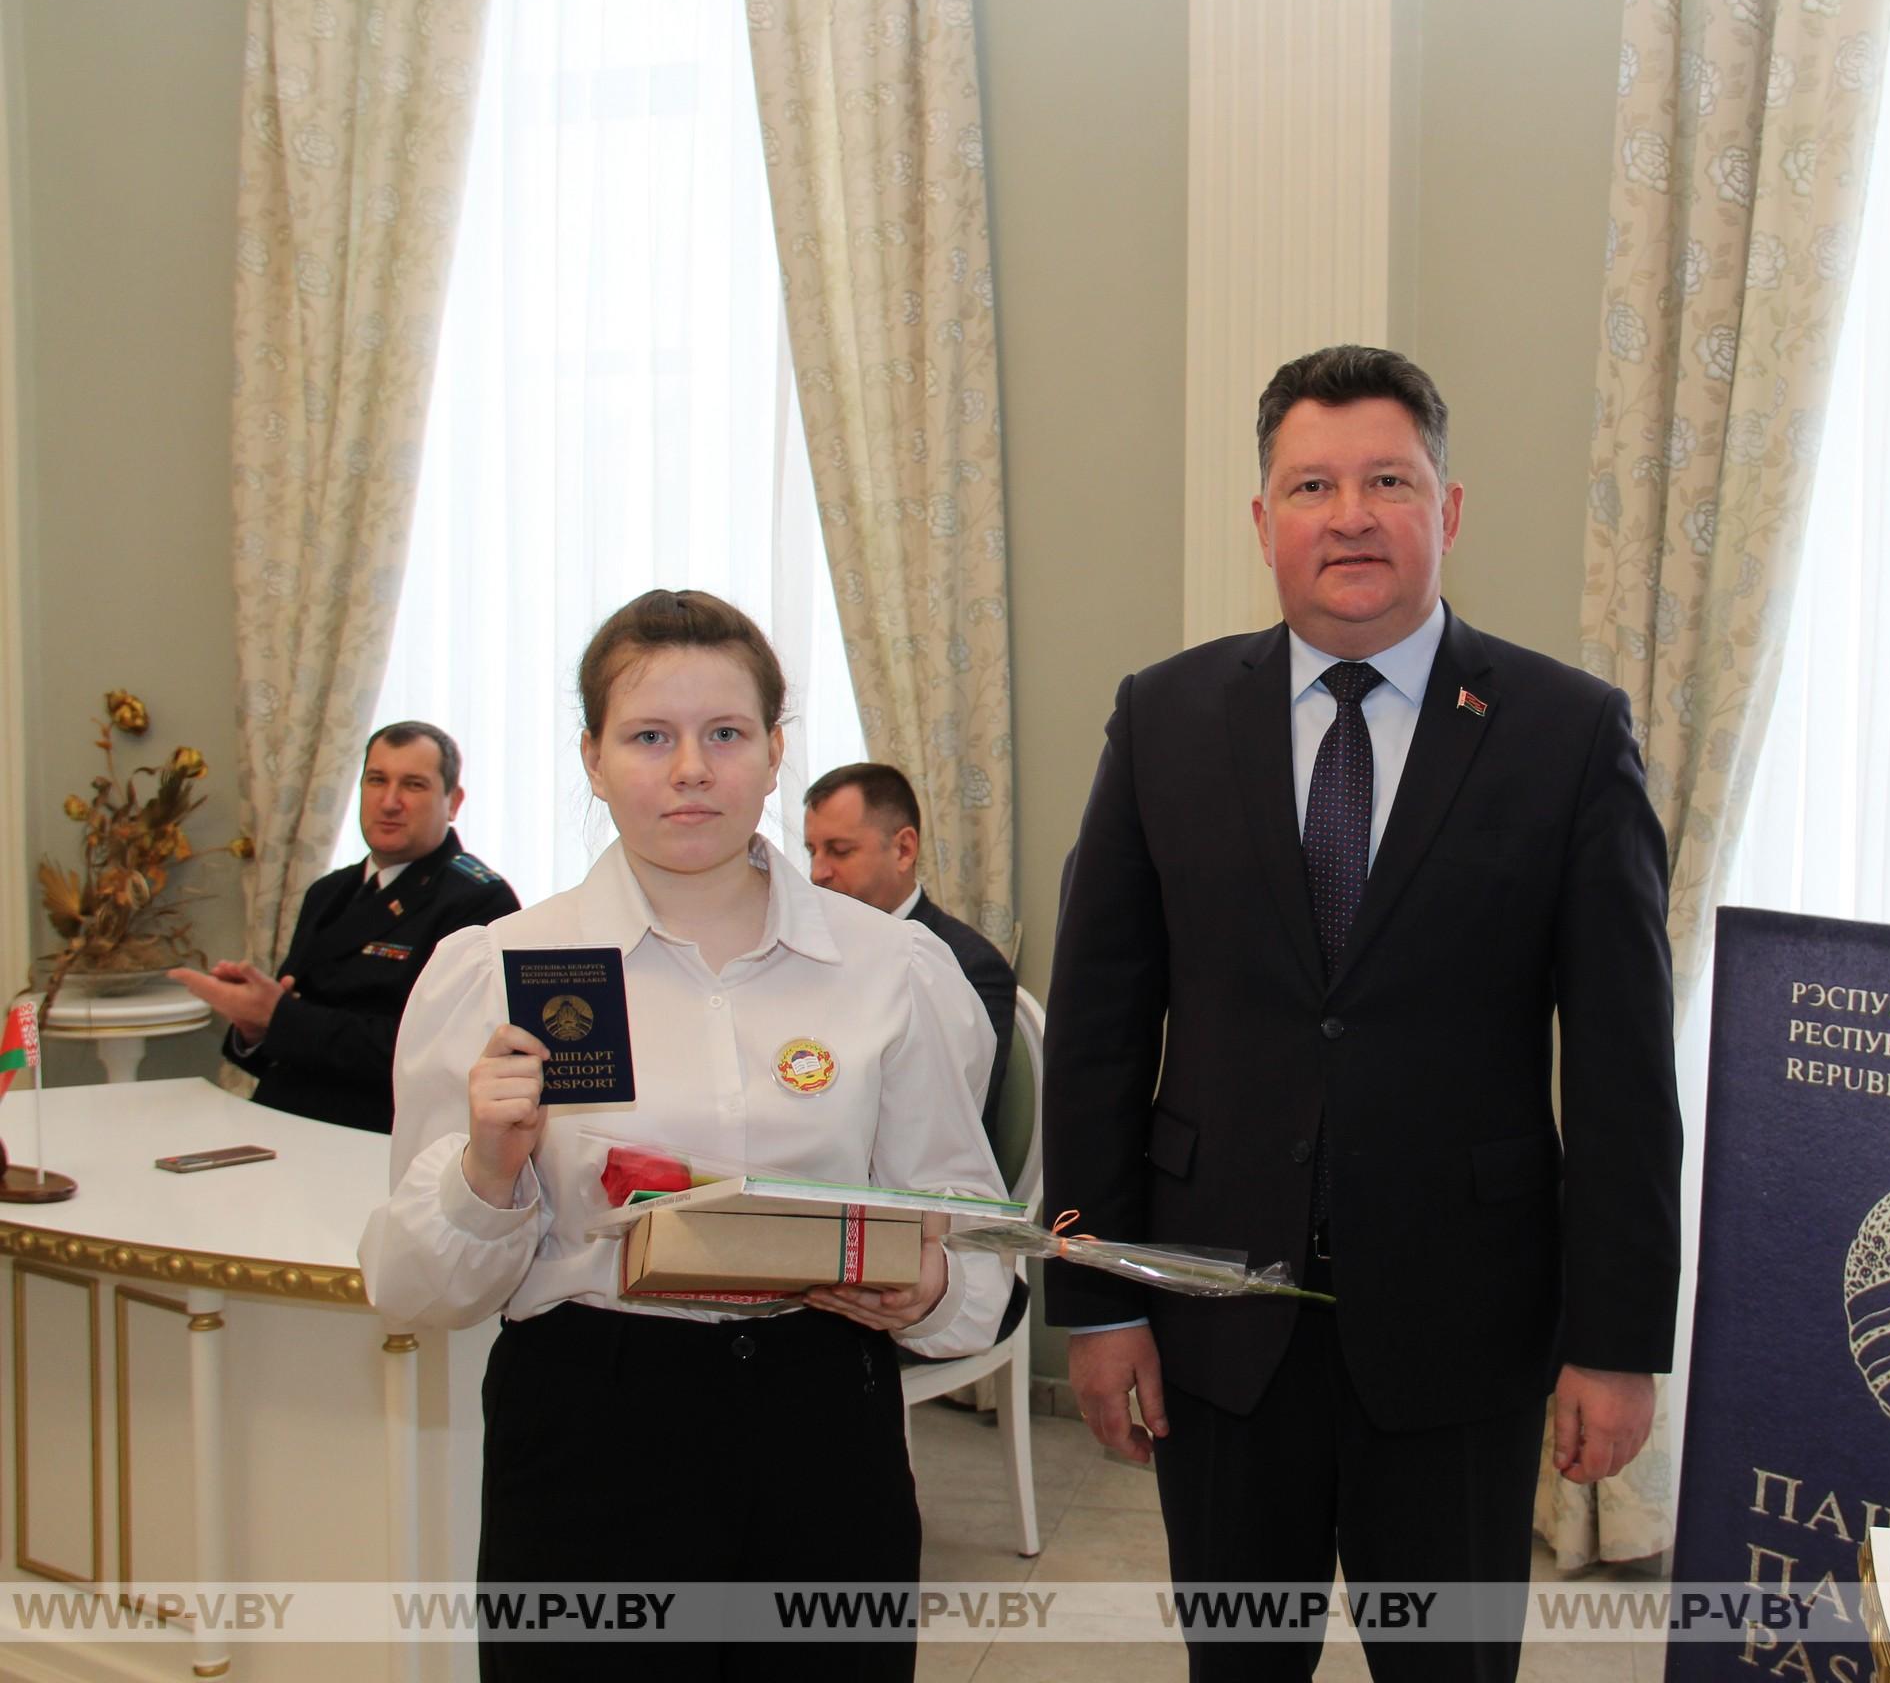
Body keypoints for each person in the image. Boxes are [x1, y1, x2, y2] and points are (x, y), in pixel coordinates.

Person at [1043, 345, 1684, 1682]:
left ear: (1445, 510)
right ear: (1262, 521)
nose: (1350, 514)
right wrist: (1095, 1304)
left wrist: (1617, 1344)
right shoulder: (1160, 720)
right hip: (1217, 1319)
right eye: (1312, 484)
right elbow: (1102, 1025)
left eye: (1387, 479)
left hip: (1466, 1335)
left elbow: (1624, 1067)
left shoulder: (1565, 733)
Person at [360, 589, 1005, 1682]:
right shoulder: (500, 970)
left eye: (726, 735)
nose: (691, 769)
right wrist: (488, 1170)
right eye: (651, 737)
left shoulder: (892, 972)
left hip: (821, 1428)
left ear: (773, 753)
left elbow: (970, 1236)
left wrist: (930, 1291)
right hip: (587, 1432)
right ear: (593, 758)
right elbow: (415, 1290)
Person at [170, 721, 519, 1133]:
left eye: (413, 785)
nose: (389, 802)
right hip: (284, 1118)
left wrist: (280, 1017)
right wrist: (254, 1027)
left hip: (377, 1135)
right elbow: (286, 1038)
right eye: (376, 780)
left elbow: (435, 1056)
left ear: (453, 801)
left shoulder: (479, 900)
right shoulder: (329, 891)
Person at [802, 762, 1017, 1142]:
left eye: (839, 851)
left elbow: (953, 1123)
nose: (818, 872)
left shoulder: (971, 965)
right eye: (812, 851)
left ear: (903, 849)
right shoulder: (809, 952)